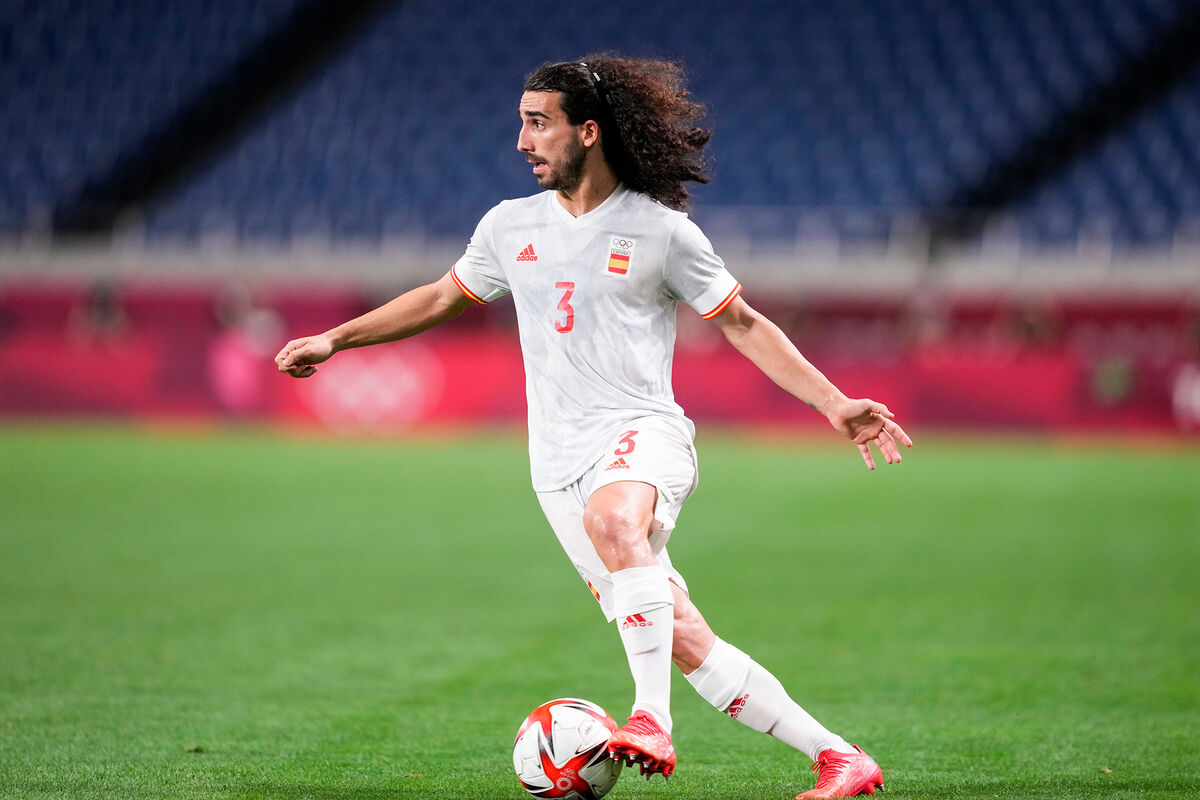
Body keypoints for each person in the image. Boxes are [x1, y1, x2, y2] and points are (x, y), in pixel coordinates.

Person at [276, 55, 911, 799]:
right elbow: (441, 297)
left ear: (587, 131)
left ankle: (650, 718)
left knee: (614, 519)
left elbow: (740, 321)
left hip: (644, 433)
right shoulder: (509, 226)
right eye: (521, 123)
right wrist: (336, 339)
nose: (521, 141)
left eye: (537, 123)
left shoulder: (661, 232)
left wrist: (832, 402)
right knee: (683, 637)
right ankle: (839, 757)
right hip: (555, 468)